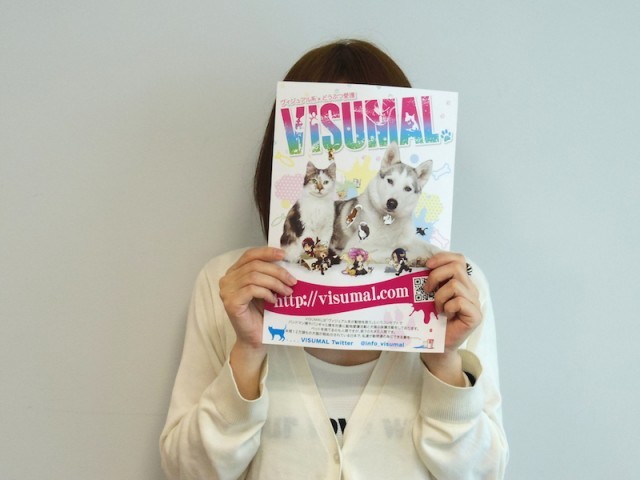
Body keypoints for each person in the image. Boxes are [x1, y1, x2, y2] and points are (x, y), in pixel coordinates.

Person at [159, 39, 508, 479]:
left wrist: (444, 360)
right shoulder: (229, 287)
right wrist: (248, 351)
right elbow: (187, 471)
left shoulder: (454, 289)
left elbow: (484, 473)